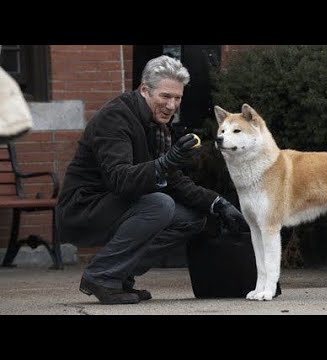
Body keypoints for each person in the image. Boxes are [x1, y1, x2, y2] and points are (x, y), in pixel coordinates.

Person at [55, 55, 248, 305]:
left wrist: (217, 203)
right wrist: (167, 161)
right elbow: (120, 180)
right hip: (83, 209)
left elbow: (174, 180)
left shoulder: (156, 124)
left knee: (192, 218)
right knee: (159, 204)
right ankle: (102, 276)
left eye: (177, 98)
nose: (172, 105)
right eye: (165, 96)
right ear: (144, 90)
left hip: (117, 205)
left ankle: (119, 273)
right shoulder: (115, 118)